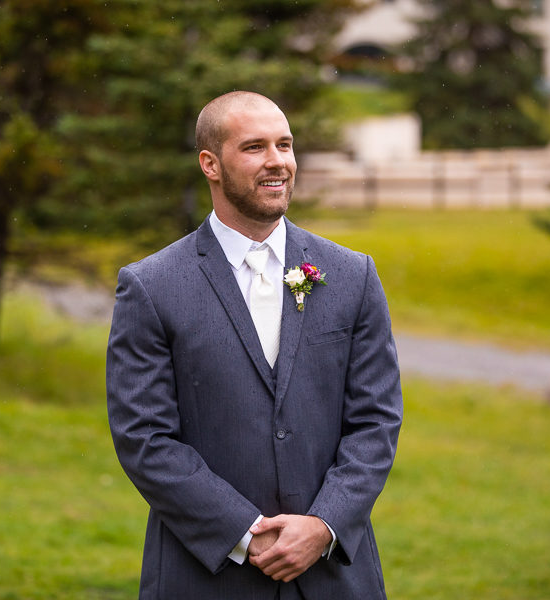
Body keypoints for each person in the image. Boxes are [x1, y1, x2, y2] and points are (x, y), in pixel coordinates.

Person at [106, 91, 403, 599]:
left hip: (333, 576)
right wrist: (246, 533)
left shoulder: (353, 275)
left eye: (285, 145)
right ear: (211, 164)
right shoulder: (151, 286)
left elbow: (376, 421)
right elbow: (145, 437)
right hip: (207, 576)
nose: (277, 162)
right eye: (254, 147)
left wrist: (323, 525)